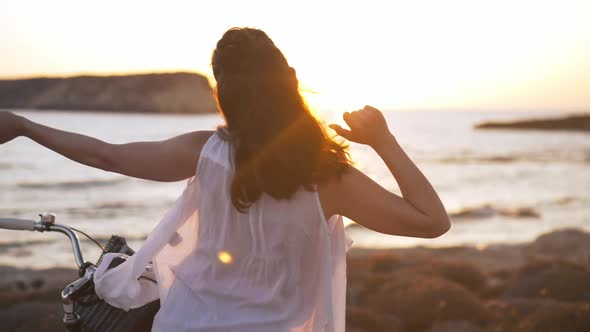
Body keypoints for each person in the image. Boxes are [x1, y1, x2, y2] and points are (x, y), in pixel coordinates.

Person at [0, 27, 450, 332]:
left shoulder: (202, 152)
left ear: (221, 93)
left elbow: (106, 155)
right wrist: (383, 141)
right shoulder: (327, 177)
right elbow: (431, 222)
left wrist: (25, 126)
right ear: (291, 81)